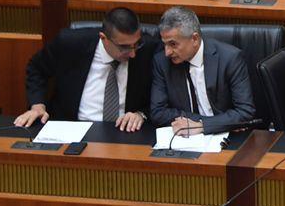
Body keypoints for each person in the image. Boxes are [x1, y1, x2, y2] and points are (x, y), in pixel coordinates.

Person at [14, 7, 154, 132]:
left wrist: (141, 114)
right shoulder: (70, 43)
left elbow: (161, 96)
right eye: (124, 47)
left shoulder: (148, 49)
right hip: (72, 128)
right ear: (103, 38)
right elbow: (36, 69)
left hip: (125, 131)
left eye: (136, 44)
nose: (133, 53)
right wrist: (37, 105)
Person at [149, 7, 255, 135]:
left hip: (226, 137)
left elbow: (245, 112)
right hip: (184, 137)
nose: (167, 52)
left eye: (173, 44)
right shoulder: (162, 62)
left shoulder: (230, 58)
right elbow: (158, 112)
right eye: (164, 44)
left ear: (194, 39)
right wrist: (217, 123)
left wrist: (202, 126)